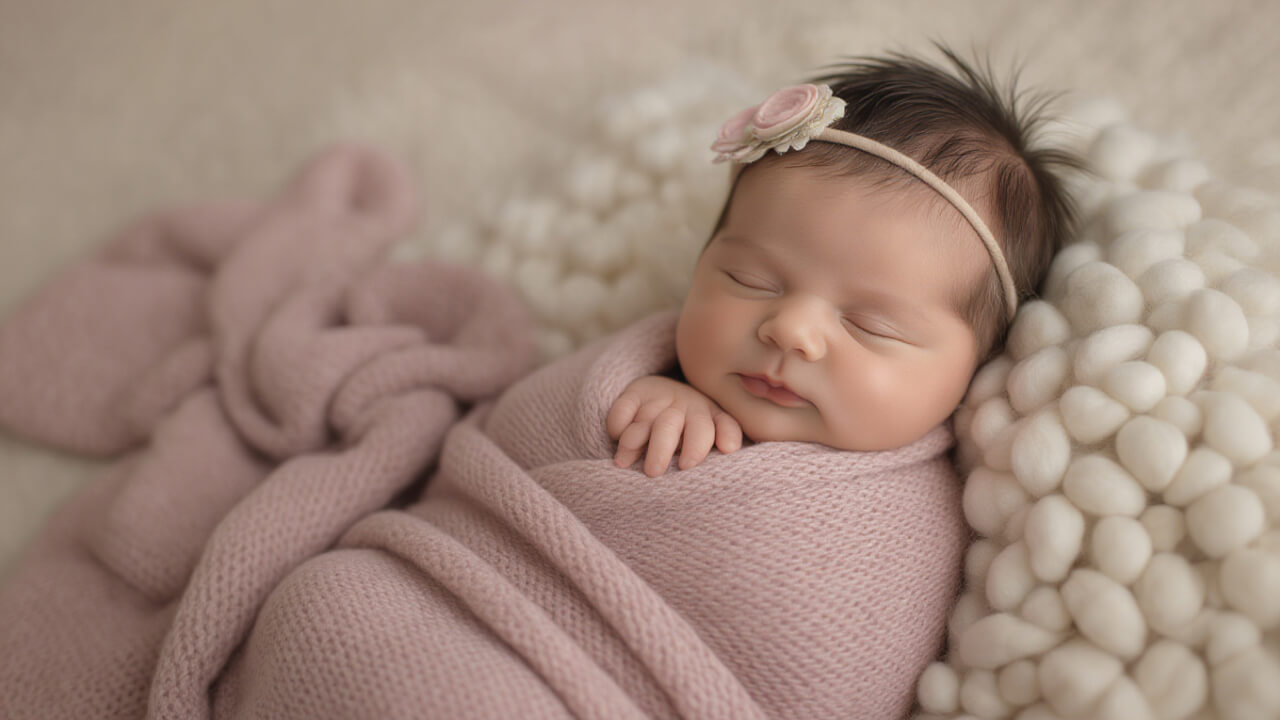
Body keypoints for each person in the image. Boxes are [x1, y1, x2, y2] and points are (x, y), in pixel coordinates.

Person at [608, 48, 1079, 476]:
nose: (791, 330)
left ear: (983, 364)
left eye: (871, 325)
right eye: (748, 279)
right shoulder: (640, 380)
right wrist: (653, 394)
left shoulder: (967, 494)